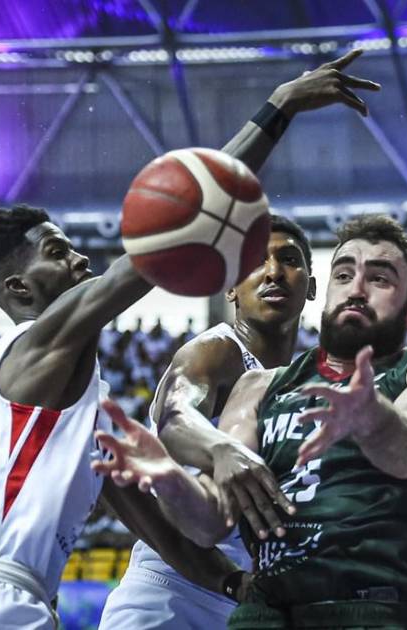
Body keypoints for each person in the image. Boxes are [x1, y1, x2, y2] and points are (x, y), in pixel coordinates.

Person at [0, 49, 378, 629]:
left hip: (18, 603)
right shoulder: (31, 346)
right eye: (57, 252)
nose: (80, 259)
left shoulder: (83, 408)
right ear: (19, 288)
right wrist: (279, 108)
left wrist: (233, 582)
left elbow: (155, 526)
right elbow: (175, 229)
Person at [96, 215, 407, 630]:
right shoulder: (242, 373)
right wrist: (168, 476)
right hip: (202, 593)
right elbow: (205, 507)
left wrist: (371, 414)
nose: (356, 289)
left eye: (379, 279)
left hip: (345, 605)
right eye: (344, 274)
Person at [99, 214, 315, 629]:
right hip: (171, 596)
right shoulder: (215, 351)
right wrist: (220, 449)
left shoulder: (304, 383)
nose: (273, 272)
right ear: (231, 288)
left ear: (312, 286)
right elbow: (176, 417)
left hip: (247, 598)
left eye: (289, 260)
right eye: (256, 262)